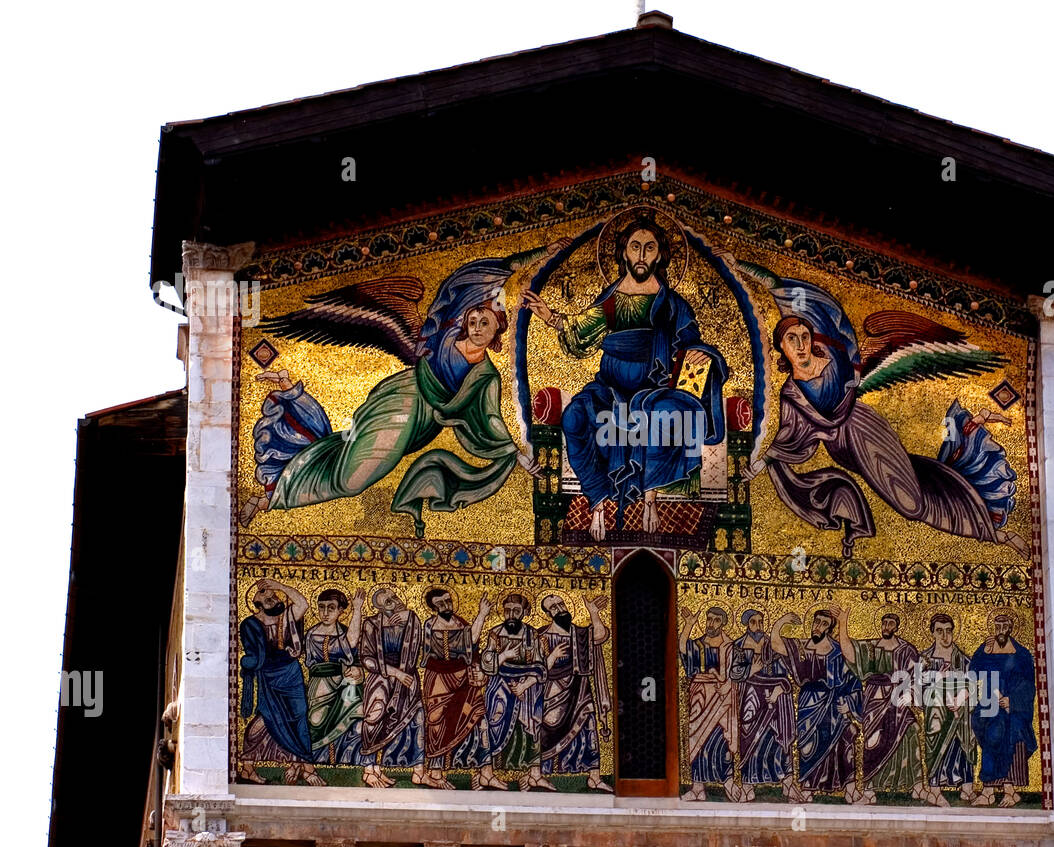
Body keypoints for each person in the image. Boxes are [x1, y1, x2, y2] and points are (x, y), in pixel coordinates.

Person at [241, 246, 562, 535]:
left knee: (348, 462)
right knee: (352, 480)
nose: (477, 327)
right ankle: (273, 496)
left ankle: (291, 413)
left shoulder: (486, 376)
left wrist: (516, 454)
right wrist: (540, 253)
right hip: (401, 403)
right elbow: (480, 278)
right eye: (474, 319)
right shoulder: (442, 337)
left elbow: (490, 419)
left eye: (485, 323)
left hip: (422, 427)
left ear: (496, 331)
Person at [735, 268, 1026, 559]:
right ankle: (986, 524)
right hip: (843, 450)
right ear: (781, 348)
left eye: (804, 336)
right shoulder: (792, 393)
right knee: (913, 493)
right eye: (790, 339)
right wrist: (762, 464)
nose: (800, 345)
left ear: (812, 339)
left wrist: (750, 271)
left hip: (865, 430)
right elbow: (791, 434)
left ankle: (994, 533)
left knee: (911, 504)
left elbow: (805, 304)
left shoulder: (834, 365)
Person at [523, 215, 729, 538]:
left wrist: (704, 354)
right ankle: (598, 501)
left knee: (666, 415)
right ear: (624, 254)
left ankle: (650, 498)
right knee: (575, 417)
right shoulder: (612, 302)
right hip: (611, 389)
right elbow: (581, 330)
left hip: (655, 389)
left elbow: (691, 343)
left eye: (650, 248)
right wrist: (550, 316)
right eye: (636, 247)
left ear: (660, 255)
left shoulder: (672, 306)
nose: (643, 255)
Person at [842, 612, 945, 807]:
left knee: (911, 731)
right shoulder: (871, 647)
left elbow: (915, 676)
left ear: (897, 626)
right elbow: (850, 653)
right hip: (875, 700)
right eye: (885, 623)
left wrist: (912, 696)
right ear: (880, 625)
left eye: (891, 623)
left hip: (899, 699)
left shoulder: (906, 649)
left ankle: (917, 787)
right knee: (872, 743)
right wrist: (842, 623)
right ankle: (870, 790)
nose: (887, 626)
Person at [237, 580, 324, 786]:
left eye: (274, 597)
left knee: (300, 716)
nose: (274, 600)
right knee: (267, 717)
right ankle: (248, 767)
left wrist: (279, 586)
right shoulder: (250, 624)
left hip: (291, 674)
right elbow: (254, 654)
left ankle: (308, 768)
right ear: (258, 605)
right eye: (267, 599)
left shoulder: (286, 617)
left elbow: (302, 604)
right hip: (269, 677)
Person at [771, 606, 862, 802]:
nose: (818, 627)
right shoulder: (803, 647)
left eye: (823, 624)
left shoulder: (838, 651)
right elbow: (776, 645)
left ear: (829, 629)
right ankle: (808, 789)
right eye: (816, 622)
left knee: (844, 741)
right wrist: (782, 621)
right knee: (807, 747)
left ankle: (850, 791)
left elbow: (852, 675)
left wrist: (849, 706)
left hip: (834, 704)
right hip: (808, 704)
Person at [417, 589, 497, 791]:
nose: (446, 605)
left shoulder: (461, 623)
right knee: (436, 723)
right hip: (438, 680)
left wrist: (482, 614)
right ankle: (435, 773)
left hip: (463, 679)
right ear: (433, 608)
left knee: (479, 718)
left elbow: (472, 642)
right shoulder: (429, 625)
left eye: (447, 601)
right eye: (440, 603)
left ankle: (484, 772)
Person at [536, 593, 613, 791]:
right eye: (553, 607)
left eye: (561, 604)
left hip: (579, 690)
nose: (560, 609)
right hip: (551, 692)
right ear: (547, 613)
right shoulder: (541, 636)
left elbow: (600, 636)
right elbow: (534, 668)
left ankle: (593, 776)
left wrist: (593, 613)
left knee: (588, 726)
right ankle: (542, 773)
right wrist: (551, 657)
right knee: (547, 730)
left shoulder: (578, 633)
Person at [477, 593, 551, 791]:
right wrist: (504, 655)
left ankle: (533, 775)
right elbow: (487, 664)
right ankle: (487, 774)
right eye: (507, 610)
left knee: (531, 724)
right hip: (499, 686)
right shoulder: (495, 633)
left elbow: (541, 667)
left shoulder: (532, 635)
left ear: (525, 613)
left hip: (526, 689)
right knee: (494, 723)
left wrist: (524, 686)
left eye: (516, 611)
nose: (511, 615)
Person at [357, 587, 424, 788]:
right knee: (374, 718)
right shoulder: (371, 624)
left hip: (408, 678)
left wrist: (407, 619)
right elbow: (366, 659)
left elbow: (417, 644)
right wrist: (395, 673)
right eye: (388, 601)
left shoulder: (410, 620)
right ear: (379, 608)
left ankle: (419, 772)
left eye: (394, 597)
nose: (394, 602)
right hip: (381, 678)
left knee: (417, 719)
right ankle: (370, 769)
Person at [968, 614, 1037, 807]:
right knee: (988, 724)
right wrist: (985, 653)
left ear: (1010, 628)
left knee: (1010, 730)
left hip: (1013, 709)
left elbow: (1029, 685)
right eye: (997, 626)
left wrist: (1012, 701)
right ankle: (991, 791)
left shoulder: (1021, 654)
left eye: (1004, 626)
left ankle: (1006, 790)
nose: (1000, 630)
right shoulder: (986, 648)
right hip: (990, 702)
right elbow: (973, 671)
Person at [728, 608, 797, 801]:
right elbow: (734, 673)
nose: (758, 625)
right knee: (749, 735)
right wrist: (752, 669)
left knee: (777, 737)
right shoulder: (739, 645)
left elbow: (786, 672)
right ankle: (748, 785)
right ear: (747, 624)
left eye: (760, 621)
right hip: (750, 695)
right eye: (754, 622)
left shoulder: (773, 644)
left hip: (774, 697)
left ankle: (787, 783)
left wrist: (779, 689)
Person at [678, 605, 740, 802]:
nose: (711, 623)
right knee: (697, 740)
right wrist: (688, 625)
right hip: (700, 697)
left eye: (715, 620)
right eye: (709, 619)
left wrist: (728, 684)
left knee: (720, 740)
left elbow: (739, 672)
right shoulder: (698, 644)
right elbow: (682, 649)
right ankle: (697, 787)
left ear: (723, 623)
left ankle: (727, 781)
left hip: (722, 699)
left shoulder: (730, 647)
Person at [303, 587, 367, 766]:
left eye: (331, 608)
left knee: (355, 714)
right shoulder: (310, 634)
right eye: (321, 607)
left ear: (340, 610)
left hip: (343, 684)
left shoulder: (345, 633)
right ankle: (314, 763)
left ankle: (345, 760)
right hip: (319, 687)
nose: (325, 613)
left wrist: (358, 609)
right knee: (315, 721)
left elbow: (352, 645)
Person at [920, 613, 978, 802]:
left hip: (960, 711)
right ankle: (935, 788)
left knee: (965, 736)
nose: (945, 636)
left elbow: (974, 685)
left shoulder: (963, 660)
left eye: (948, 631)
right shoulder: (925, 660)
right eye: (939, 631)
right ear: (932, 633)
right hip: (936, 710)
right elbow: (916, 686)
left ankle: (967, 786)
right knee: (936, 737)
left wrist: (961, 699)